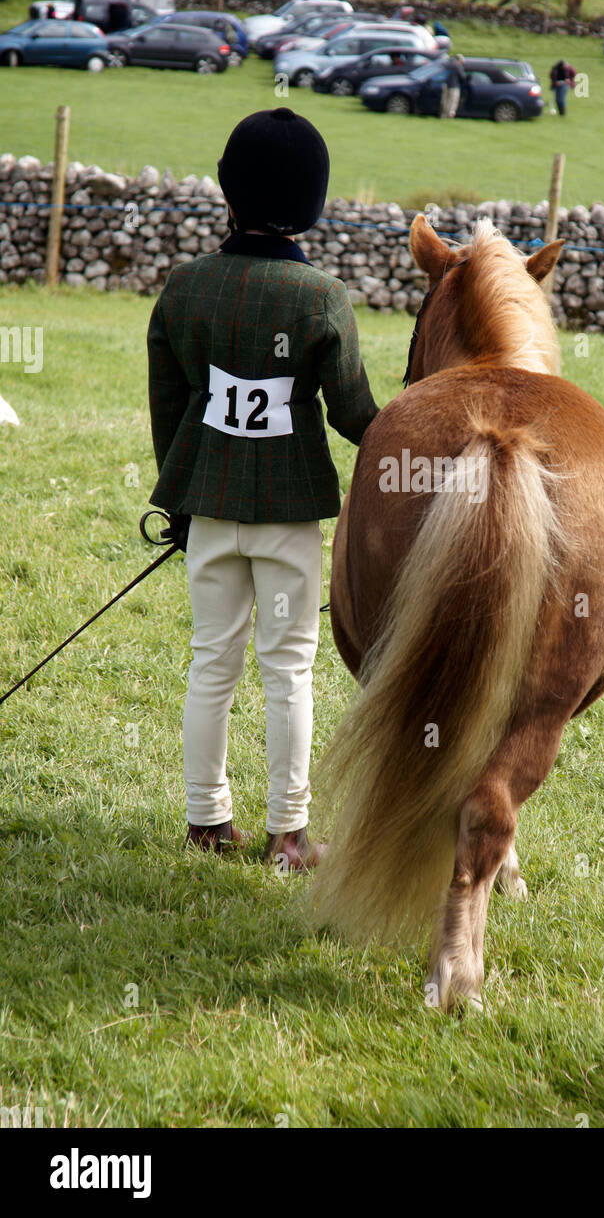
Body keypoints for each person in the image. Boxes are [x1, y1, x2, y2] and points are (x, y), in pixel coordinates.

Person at [147, 108, 379, 866]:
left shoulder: (185, 289)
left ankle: (206, 820)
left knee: (211, 660)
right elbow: (354, 419)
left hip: (208, 512)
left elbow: (171, 408)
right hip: (287, 519)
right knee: (288, 668)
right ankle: (290, 833)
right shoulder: (320, 297)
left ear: (228, 192)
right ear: (310, 203)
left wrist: (180, 502)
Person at [440, 53, 466, 119]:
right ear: (459, 60)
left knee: (445, 100)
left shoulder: (447, 63)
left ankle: (443, 114)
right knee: (452, 101)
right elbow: (462, 77)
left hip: (445, 84)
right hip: (454, 86)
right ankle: (449, 115)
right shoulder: (458, 66)